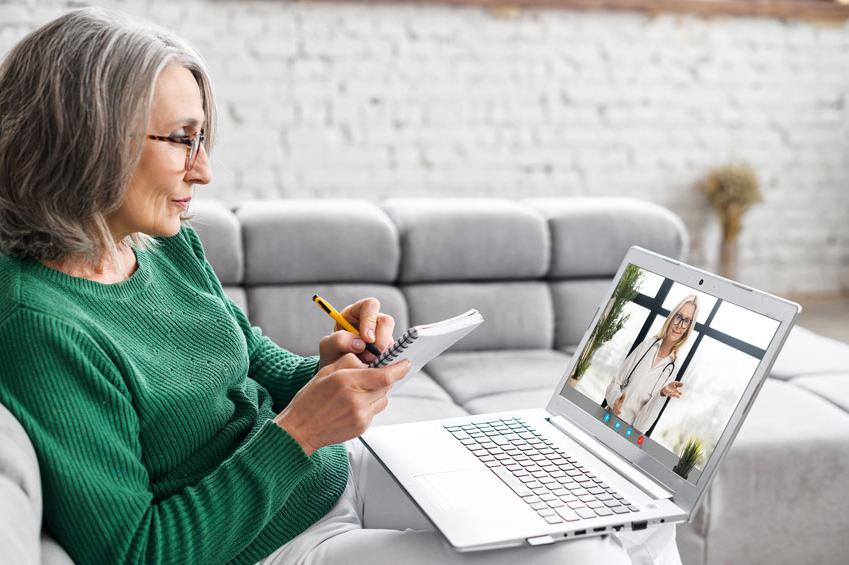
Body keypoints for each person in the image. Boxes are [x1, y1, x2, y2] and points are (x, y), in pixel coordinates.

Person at [0, 8, 679, 565]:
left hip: (334, 474)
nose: (203, 172)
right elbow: (134, 550)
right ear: (86, 137)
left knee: (634, 506)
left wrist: (330, 368)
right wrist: (295, 435)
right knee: (584, 558)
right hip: (276, 545)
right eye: (182, 139)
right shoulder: (43, 326)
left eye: (203, 139)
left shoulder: (162, 243)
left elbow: (256, 365)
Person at [604, 296, 700, 432]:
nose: (679, 325)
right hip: (607, 417)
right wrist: (615, 401)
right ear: (672, 317)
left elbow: (642, 426)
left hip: (627, 433)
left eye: (686, 321)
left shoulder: (672, 368)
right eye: (678, 316)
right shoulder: (647, 346)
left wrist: (661, 394)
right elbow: (615, 382)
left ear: (688, 328)